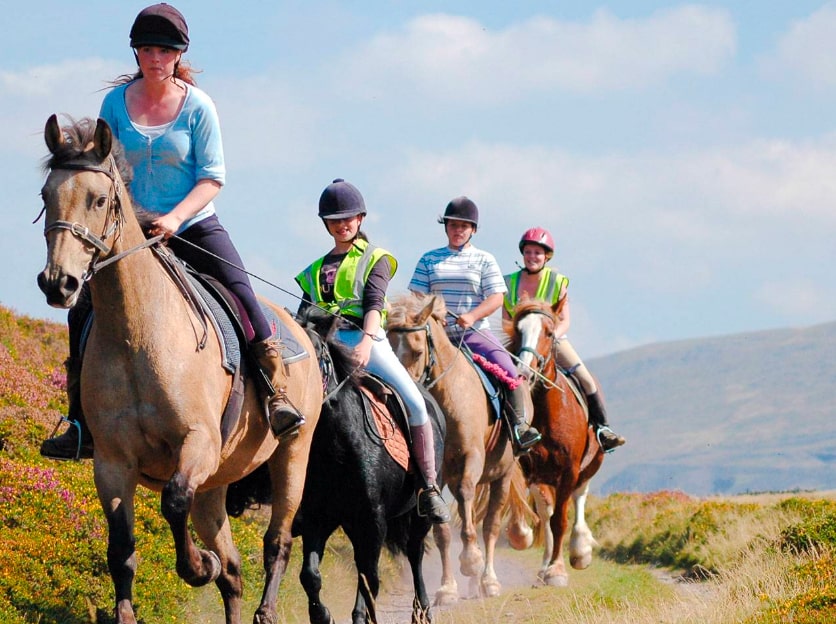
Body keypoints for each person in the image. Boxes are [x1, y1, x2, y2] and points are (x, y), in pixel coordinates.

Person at [40, 3, 303, 460]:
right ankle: (79, 421)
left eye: (164, 50)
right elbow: (104, 171)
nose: (155, 57)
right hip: (128, 231)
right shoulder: (113, 105)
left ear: (178, 54)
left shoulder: (199, 106)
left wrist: (176, 218)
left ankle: (276, 388)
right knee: (82, 308)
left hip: (193, 222)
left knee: (239, 290)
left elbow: (212, 177)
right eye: (146, 49)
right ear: (136, 54)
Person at [295, 179, 450, 524]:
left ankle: (428, 488)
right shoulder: (313, 270)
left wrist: (366, 341)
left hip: (368, 340)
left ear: (361, 218)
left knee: (415, 403)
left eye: (348, 217)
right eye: (334, 219)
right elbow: (303, 313)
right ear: (325, 224)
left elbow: (375, 303)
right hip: (324, 345)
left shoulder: (375, 258)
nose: (342, 224)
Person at [408, 196, 542, 456]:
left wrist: (471, 316)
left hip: (474, 332)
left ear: (473, 230)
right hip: (437, 336)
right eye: (453, 225)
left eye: (463, 226)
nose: (458, 230)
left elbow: (496, 297)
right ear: (446, 227)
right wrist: (434, 313)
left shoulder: (484, 260)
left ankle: (519, 429)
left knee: (509, 371)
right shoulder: (428, 259)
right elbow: (416, 297)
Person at [502, 227, 625, 452]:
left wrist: (550, 339)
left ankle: (602, 429)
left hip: (552, 340)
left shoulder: (557, 282)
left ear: (547, 256)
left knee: (586, 379)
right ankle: (503, 430)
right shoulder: (508, 282)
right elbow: (506, 320)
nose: (532, 257)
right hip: (520, 342)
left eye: (537, 253)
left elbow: (565, 321)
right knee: (498, 379)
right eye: (528, 252)